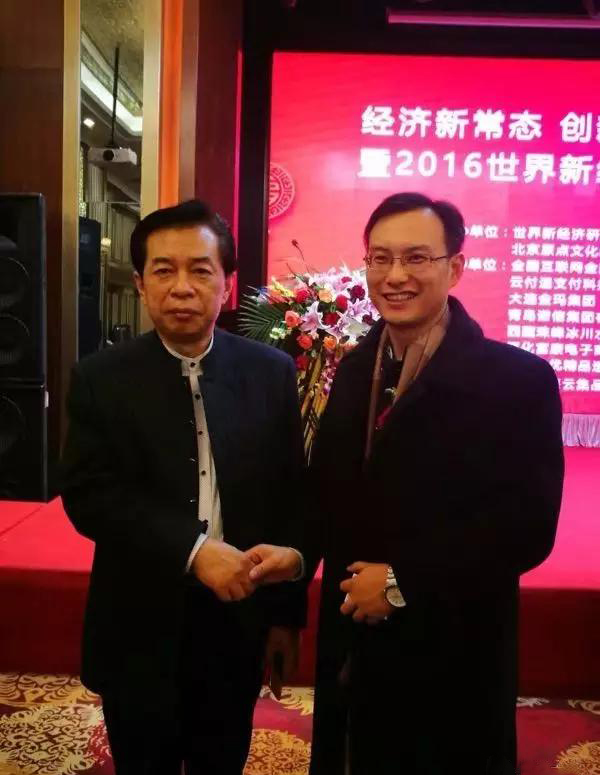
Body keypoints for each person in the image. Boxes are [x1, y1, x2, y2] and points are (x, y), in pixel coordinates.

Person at [249, 192, 565, 775]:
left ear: (455, 267)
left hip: (453, 647)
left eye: (417, 258)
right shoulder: (353, 370)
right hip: (354, 639)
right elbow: (325, 493)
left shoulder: (518, 381)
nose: (395, 276)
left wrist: (402, 582)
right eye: (380, 258)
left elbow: (527, 528)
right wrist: (292, 581)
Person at [60, 200, 306, 775]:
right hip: (138, 620)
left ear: (227, 284)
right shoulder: (101, 378)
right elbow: (90, 495)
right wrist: (194, 551)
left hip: (236, 618)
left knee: (222, 759)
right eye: (163, 270)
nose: (182, 288)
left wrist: (286, 615)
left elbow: (288, 496)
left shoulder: (270, 373)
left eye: (200, 270)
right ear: (140, 284)